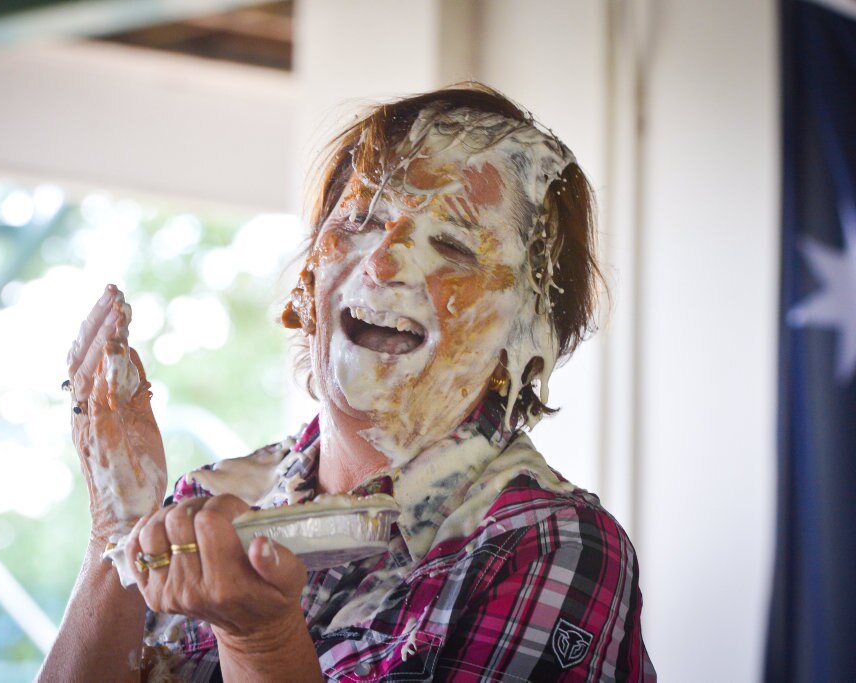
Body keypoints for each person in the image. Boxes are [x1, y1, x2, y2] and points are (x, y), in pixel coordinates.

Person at [37, 83, 656, 682]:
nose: (383, 262)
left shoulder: (548, 545)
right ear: (311, 274)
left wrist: (261, 638)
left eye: (453, 246)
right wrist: (118, 532)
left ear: (522, 331)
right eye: (361, 219)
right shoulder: (207, 505)